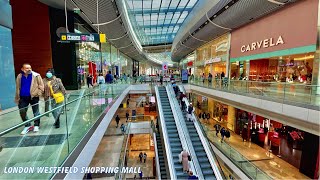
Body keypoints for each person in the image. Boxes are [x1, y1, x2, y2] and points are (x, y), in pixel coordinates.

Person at [15, 63, 44, 135]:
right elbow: (18, 87)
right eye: (27, 68)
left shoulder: (36, 75)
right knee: (22, 111)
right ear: (22, 69)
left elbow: (41, 85)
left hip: (34, 97)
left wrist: (38, 93)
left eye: (30, 68)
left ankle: (36, 125)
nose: (29, 69)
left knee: (36, 111)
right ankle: (27, 125)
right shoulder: (19, 76)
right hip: (23, 97)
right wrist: (17, 97)